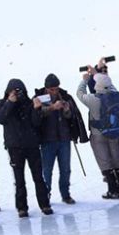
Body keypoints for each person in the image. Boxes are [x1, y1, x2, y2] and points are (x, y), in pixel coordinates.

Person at [0, 78, 53, 218]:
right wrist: (10, 102)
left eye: (20, 91)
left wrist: (37, 109)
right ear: (8, 92)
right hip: (14, 147)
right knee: (19, 179)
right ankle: (22, 207)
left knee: (38, 177)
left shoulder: (29, 103)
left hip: (31, 145)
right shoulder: (2, 103)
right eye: (14, 91)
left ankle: (45, 204)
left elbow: (36, 123)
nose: (18, 94)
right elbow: (0, 118)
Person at [34, 73, 88, 205]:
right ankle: (46, 194)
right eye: (52, 89)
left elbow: (72, 117)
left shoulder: (65, 96)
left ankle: (65, 194)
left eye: (56, 88)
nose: (54, 91)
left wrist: (67, 110)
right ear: (46, 88)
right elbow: (36, 116)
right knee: (47, 170)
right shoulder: (39, 98)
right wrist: (52, 107)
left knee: (65, 169)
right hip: (47, 140)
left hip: (64, 138)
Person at [77, 71, 119, 199]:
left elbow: (80, 94)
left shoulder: (93, 99)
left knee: (104, 160)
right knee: (116, 158)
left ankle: (113, 190)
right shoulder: (117, 96)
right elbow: (111, 87)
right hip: (115, 131)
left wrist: (84, 80)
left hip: (98, 134)